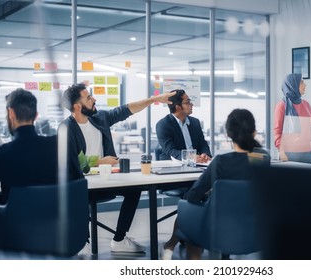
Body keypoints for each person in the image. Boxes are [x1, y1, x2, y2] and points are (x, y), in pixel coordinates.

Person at [60, 83, 174, 253]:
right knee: (79, 194)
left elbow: (126, 109)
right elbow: (71, 162)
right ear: (77, 106)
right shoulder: (66, 128)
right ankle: (82, 241)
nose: (94, 99)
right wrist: (100, 161)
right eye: (89, 97)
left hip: (106, 180)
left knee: (134, 190)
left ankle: (119, 239)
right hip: (81, 184)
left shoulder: (99, 118)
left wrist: (155, 99)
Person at [160, 108, 269, 260]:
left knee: (191, 220)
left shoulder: (221, 162)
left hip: (218, 233)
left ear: (228, 135)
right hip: (255, 233)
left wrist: (209, 194)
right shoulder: (262, 158)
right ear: (254, 133)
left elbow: (192, 196)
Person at [0, 89, 60, 248]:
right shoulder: (59, 146)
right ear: (36, 116)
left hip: (14, 231)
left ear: (10, 114)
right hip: (58, 230)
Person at [156, 89, 211, 163]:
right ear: (178, 107)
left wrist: (205, 154)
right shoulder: (163, 124)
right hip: (173, 164)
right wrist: (190, 157)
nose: (191, 104)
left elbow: (202, 143)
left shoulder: (195, 122)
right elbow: (170, 151)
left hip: (196, 163)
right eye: (188, 102)